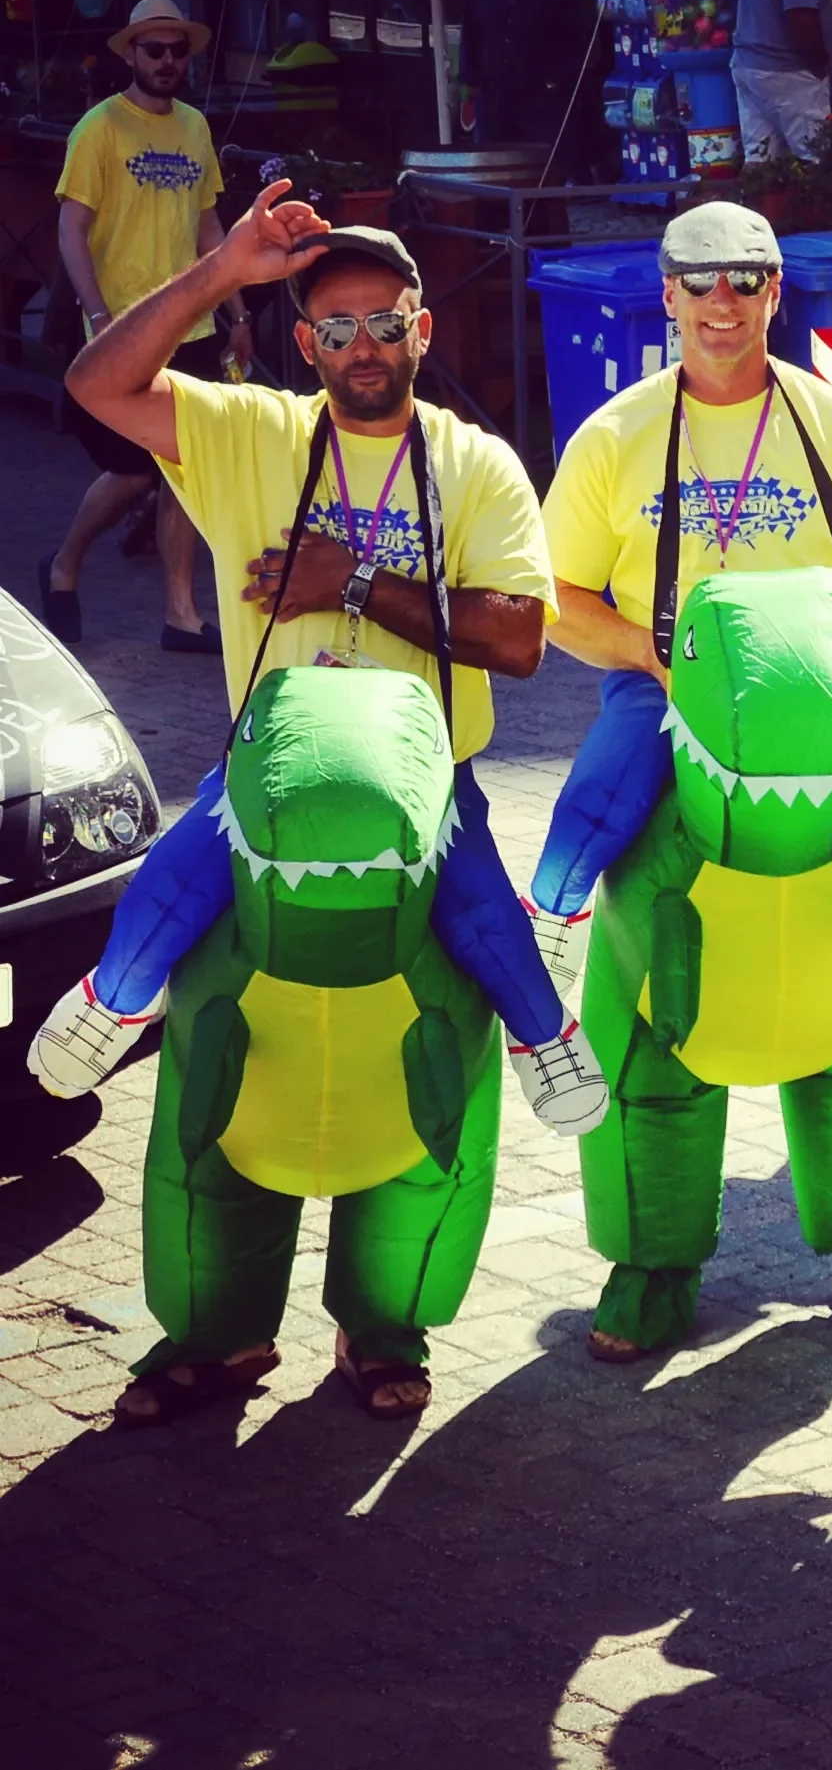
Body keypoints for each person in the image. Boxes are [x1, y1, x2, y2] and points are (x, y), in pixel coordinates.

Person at [29, 195, 609, 1152]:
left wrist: (354, 582)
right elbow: (97, 385)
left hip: (429, 783)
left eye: (385, 323)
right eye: (337, 328)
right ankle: (114, 998)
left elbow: (520, 644)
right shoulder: (253, 432)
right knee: (171, 885)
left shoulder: (477, 462)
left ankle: (544, 1035)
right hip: (268, 769)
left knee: (483, 917)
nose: (364, 346)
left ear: (420, 329)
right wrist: (220, 273)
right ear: (306, 343)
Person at [526, 200, 832, 1351]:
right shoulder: (615, 436)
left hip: (821, 735)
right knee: (642, 979)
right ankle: (648, 1255)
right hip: (663, 710)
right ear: (665, 294)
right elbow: (561, 605)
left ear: (776, 292)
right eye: (700, 282)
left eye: (748, 281)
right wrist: (653, 658)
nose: (724, 303)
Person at [40, 0, 249, 655]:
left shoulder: (193, 128)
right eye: (153, 50)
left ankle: (181, 612)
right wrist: (96, 312)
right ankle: (63, 565)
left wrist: (236, 310)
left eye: (176, 50)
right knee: (133, 472)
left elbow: (208, 225)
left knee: (183, 467)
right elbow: (71, 227)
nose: (165, 61)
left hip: (189, 329)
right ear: (130, 54)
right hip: (120, 330)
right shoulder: (99, 129)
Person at [463, 0, 585, 148]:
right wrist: (473, 82)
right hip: (493, 102)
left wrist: (555, 82)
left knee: (538, 171)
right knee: (491, 168)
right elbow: (470, 34)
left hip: (539, 106)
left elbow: (575, 41)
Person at [730, 0, 832, 162]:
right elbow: (800, 19)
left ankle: (749, 198)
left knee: (760, 158)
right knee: (817, 157)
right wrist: (820, 65)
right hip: (788, 73)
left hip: (749, 65)